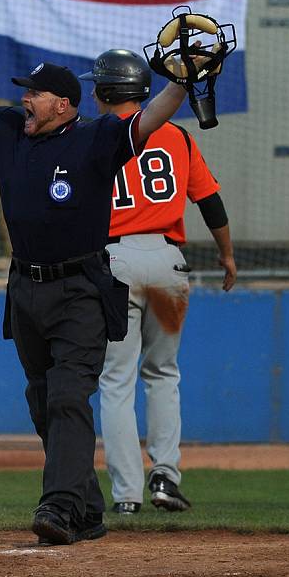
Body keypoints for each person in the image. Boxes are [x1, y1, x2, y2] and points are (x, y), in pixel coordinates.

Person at [0, 0, 211, 545]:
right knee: (43, 400)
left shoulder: (97, 138)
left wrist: (181, 80)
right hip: (25, 288)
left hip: (82, 287)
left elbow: (151, 116)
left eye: (33, 92)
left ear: (63, 104)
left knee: (67, 396)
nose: (24, 99)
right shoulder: (11, 130)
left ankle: (57, 507)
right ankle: (85, 505)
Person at [79, 49, 237, 515]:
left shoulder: (91, 137)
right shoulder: (177, 138)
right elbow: (209, 201)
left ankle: (127, 495)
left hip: (116, 262)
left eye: (97, 84)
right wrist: (226, 255)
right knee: (164, 373)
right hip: (169, 264)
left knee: (117, 380)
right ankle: (166, 475)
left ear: (107, 92)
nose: (91, 91)